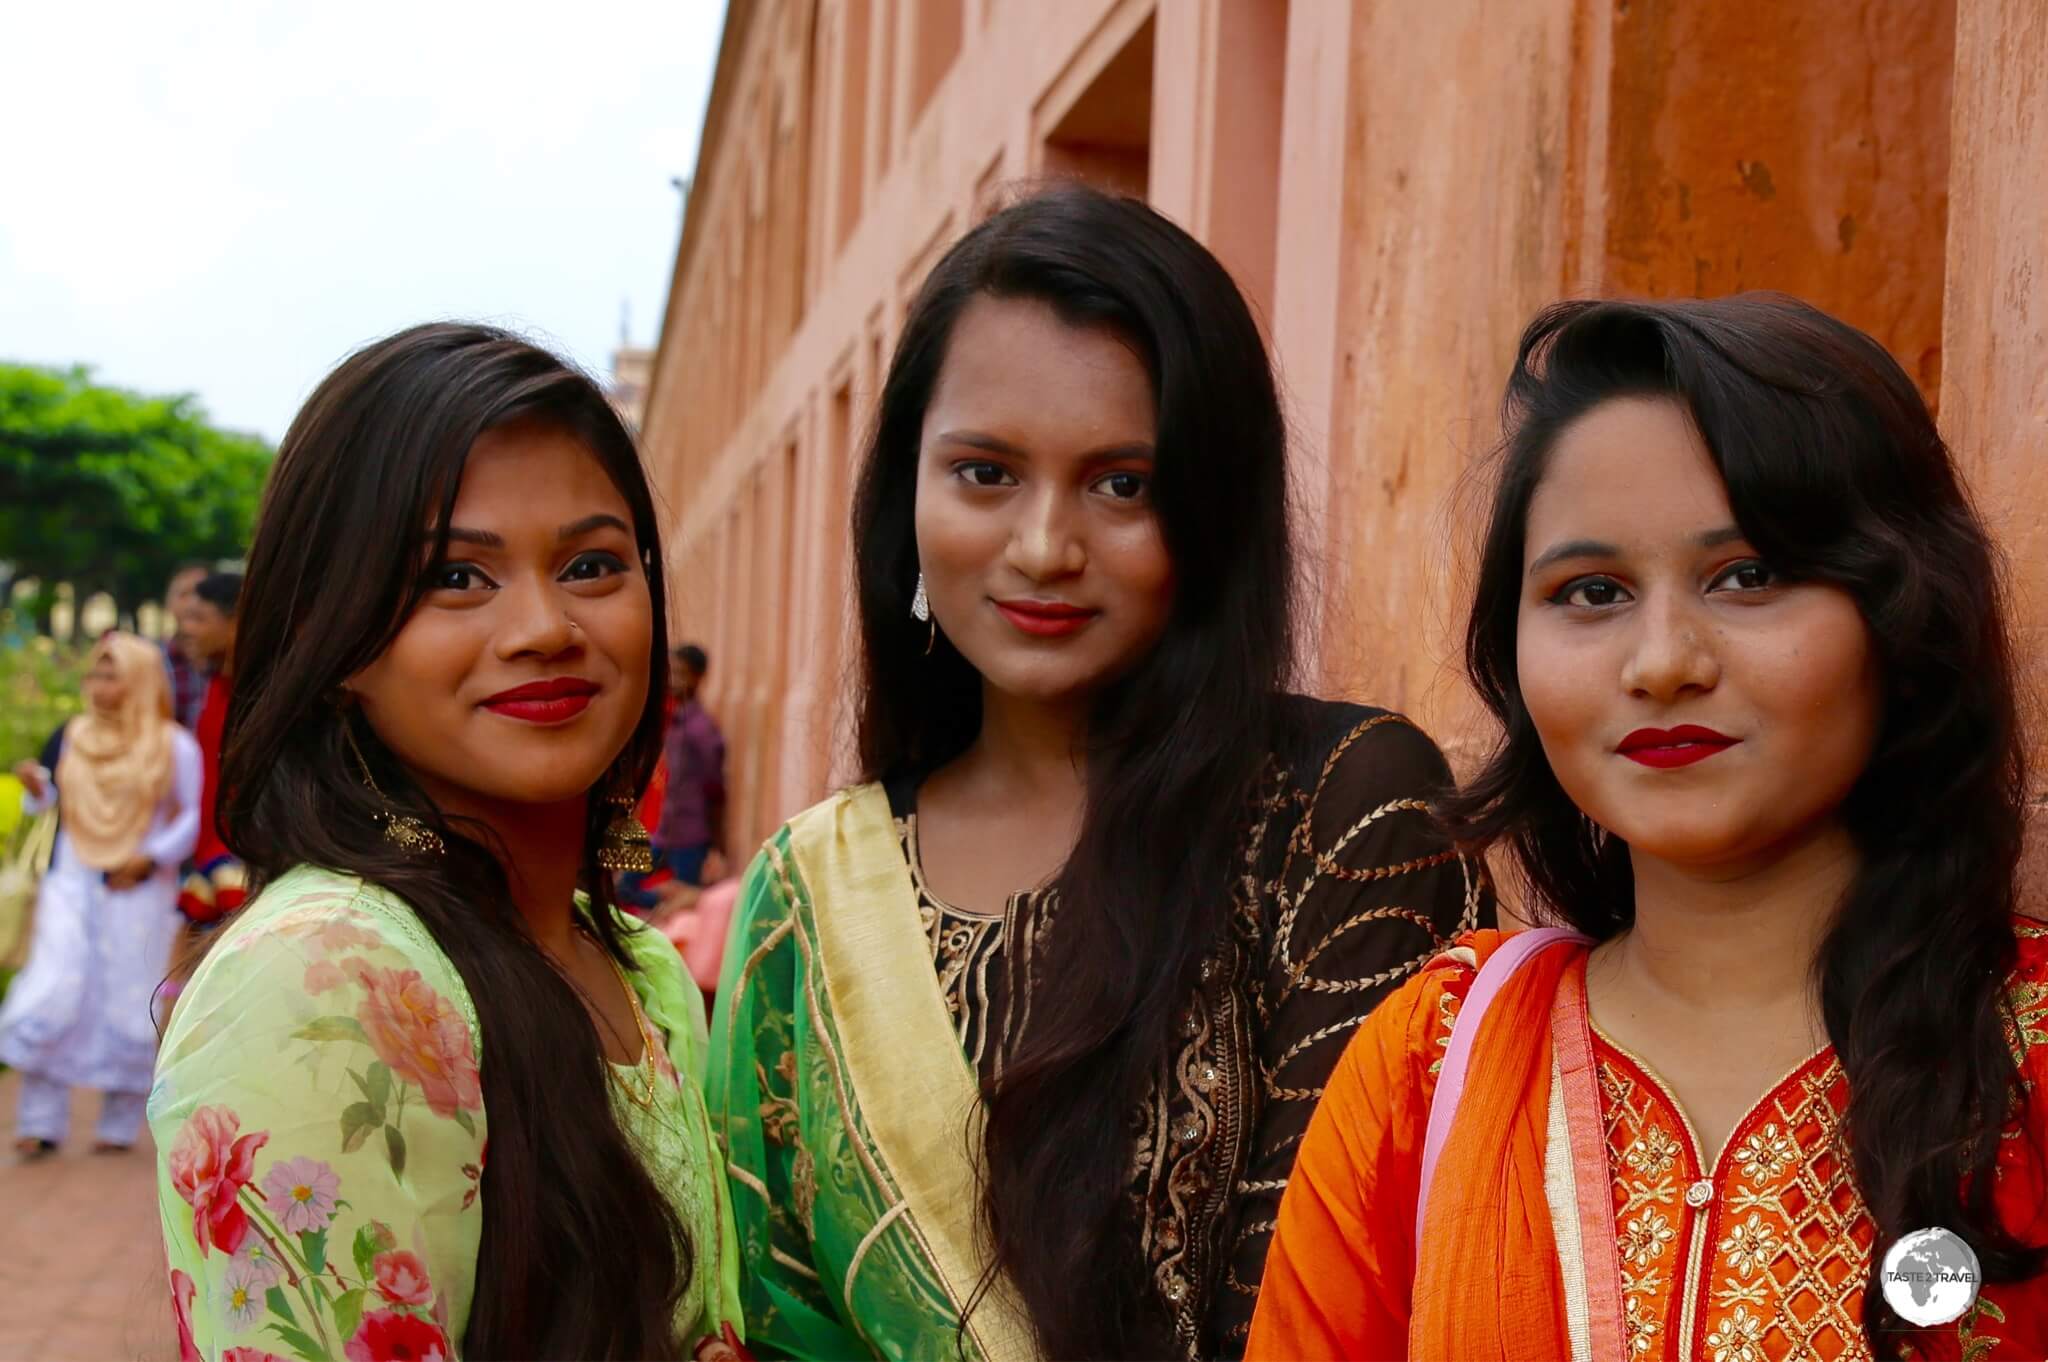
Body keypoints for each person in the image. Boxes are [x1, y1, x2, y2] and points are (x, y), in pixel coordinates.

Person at [707, 184, 1487, 1362]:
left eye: (1122, 484)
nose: (1042, 547)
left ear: (1212, 515)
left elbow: (1330, 1307)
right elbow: (760, 1321)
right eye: (983, 473)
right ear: (906, 494)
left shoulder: (1343, 812)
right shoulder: (807, 904)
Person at [1246, 295, 2048, 1360]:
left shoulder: (2026, 1060)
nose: (1662, 660)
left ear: (1900, 611)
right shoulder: (1431, 1063)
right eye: (1589, 592)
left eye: (1747, 576)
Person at [149, 323, 742, 1361]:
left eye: (593, 564)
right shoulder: (325, 975)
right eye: (456, 579)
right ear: (335, 642)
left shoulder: (638, 972)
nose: (545, 627)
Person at [1, 633, 199, 1156]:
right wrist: (36, 789)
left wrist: (151, 856)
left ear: (140, 679)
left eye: (113, 675)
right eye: (96, 674)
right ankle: (39, 1122)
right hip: (72, 879)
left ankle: (117, 1127)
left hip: (139, 885)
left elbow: (192, 813)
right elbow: (50, 807)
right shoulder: (74, 735)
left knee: (129, 996)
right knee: (53, 989)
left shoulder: (172, 744)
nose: (100, 685)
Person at [174, 571, 246, 921]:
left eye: (199, 619)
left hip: (242, 870)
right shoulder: (216, 686)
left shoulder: (260, 697)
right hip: (209, 865)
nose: (186, 628)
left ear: (236, 623)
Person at [654, 643, 723, 887]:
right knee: (625, 888)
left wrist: (716, 843)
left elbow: (714, 786)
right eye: (671, 672)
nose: (674, 680)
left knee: (685, 897)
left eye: (682, 673)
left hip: (690, 835)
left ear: (698, 677)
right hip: (664, 831)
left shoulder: (701, 729)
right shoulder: (673, 721)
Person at [163, 563, 212, 729]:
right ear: (168, 603)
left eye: (202, 593)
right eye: (184, 594)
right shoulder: (154, 660)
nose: (193, 603)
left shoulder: (230, 662)